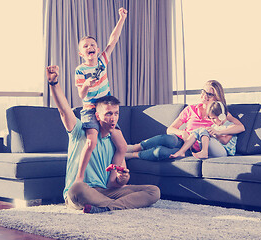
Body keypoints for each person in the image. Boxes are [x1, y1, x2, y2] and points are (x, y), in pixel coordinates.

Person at [46, 65, 160, 214]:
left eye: (116, 114)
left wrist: (123, 178)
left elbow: (116, 184)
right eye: (108, 114)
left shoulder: (117, 144)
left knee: (154, 191)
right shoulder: (80, 131)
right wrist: (54, 83)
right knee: (77, 188)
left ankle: (107, 208)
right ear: (97, 116)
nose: (113, 118)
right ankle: (116, 206)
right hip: (82, 192)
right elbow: (63, 111)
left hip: (105, 192)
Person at [126, 80, 245, 161]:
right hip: (183, 141)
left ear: (216, 98)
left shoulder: (219, 113)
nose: (204, 96)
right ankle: (136, 147)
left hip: (193, 149)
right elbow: (170, 129)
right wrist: (182, 133)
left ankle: (133, 155)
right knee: (168, 139)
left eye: (209, 94)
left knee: (161, 152)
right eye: (203, 92)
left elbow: (240, 127)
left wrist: (217, 132)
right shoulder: (191, 109)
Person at [75, 8, 128, 185]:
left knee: (122, 146)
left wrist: (121, 19)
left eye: (92, 45)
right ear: (81, 53)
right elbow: (81, 95)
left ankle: (111, 182)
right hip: (91, 109)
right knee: (91, 142)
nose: (90, 47)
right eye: (86, 46)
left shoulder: (102, 60)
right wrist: (86, 85)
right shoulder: (80, 70)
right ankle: (80, 177)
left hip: (106, 108)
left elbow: (113, 40)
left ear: (97, 49)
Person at [169, 101, 237, 159]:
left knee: (203, 130)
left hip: (224, 152)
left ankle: (204, 152)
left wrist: (215, 133)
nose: (212, 121)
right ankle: (182, 151)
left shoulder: (230, 126)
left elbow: (225, 141)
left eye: (214, 118)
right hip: (214, 150)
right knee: (199, 130)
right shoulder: (214, 126)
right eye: (211, 119)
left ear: (221, 116)